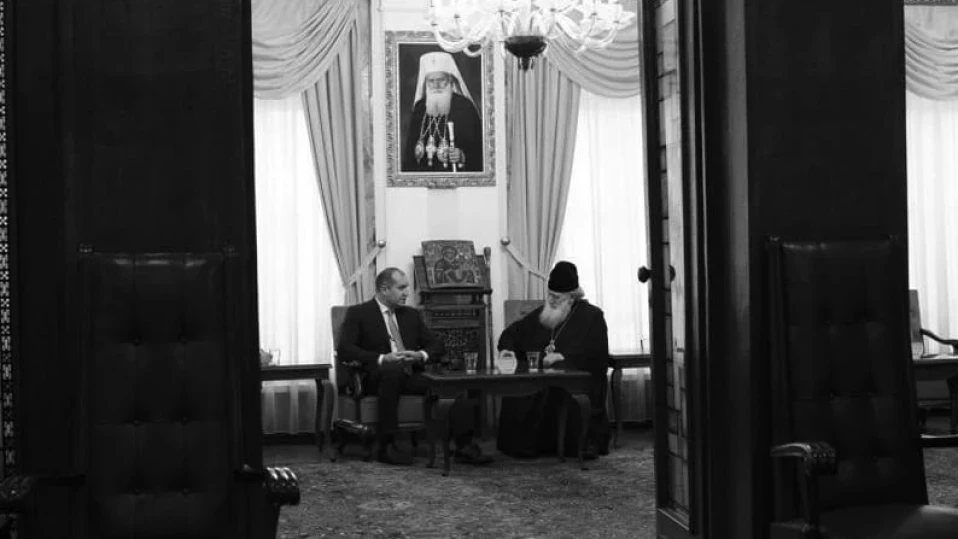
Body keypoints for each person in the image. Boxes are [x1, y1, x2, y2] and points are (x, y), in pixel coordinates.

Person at [336, 267, 492, 466]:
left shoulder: (410, 315)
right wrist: (383, 358)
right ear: (384, 289)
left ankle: (465, 446)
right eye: (401, 288)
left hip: (409, 376)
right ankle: (388, 445)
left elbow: (437, 346)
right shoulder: (359, 313)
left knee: (448, 384)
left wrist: (420, 355)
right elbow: (345, 349)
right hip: (376, 377)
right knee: (392, 373)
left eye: (407, 288)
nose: (407, 293)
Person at [496, 261, 611, 459]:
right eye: (549, 295)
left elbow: (598, 357)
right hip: (544, 380)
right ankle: (528, 446)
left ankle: (581, 443)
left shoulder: (592, 317)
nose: (551, 300)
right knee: (523, 391)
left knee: (562, 393)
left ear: (572, 297)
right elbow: (511, 334)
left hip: (575, 381)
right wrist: (508, 351)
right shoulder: (543, 314)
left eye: (557, 297)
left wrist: (564, 358)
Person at [402, 51, 482, 173]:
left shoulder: (465, 107)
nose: (436, 85)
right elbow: (410, 153)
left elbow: (480, 149)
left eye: (441, 80)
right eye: (431, 81)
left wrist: (462, 156)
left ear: (450, 80)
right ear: (425, 83)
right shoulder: (419, 108)